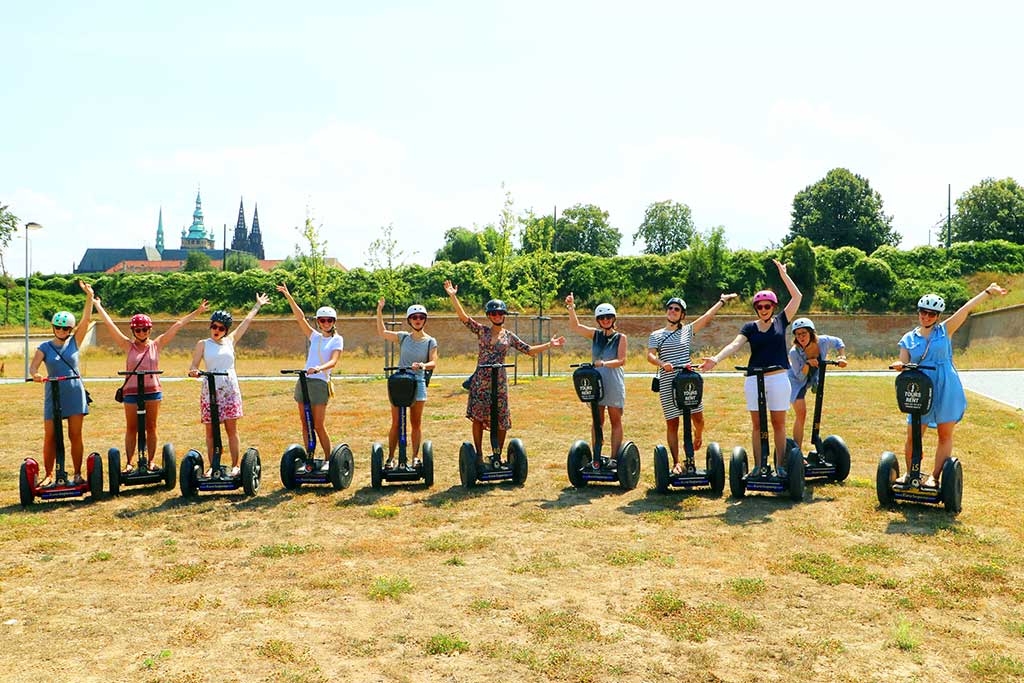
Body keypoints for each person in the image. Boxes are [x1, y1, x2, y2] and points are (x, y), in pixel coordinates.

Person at [891, 283, 1008, 487]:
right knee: (913, 434)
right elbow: (903, 361)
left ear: (938, 316)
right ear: (918, 313)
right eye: (923, 312)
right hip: (921, 388)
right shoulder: (908, 338)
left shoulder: (945, 331)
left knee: (944, 434)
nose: (926, 317)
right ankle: (911, 473)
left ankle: (935, 477)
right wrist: (900, 365)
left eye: (931, 314)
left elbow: (965, 309)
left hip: (946, 386)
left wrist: (988, 292)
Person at [444, 280, 565, 466]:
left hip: (499, 381)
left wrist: (549, 345)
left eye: (500, 313)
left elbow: (529, 350)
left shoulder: (509, 336)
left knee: (502, 419)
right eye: (493, 313)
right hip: (481, 381)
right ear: (489, 315)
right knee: (477, 416)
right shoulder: (482, 330)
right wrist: (453, 296)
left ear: (504, 315)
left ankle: (497, 454)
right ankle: (477, 454)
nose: (497, 315)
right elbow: (463, 317)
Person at [701, 259, 802, 476]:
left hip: (777, 378)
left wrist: (783, 275)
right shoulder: (749, 327)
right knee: (757, 425)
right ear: (756, 308)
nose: (763, 309)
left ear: (773, 307)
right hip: (754, 379)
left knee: (778, 424)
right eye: (759, 306)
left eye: (767, 306)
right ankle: (758, 466)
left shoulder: (781, 321)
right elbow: (735, 345)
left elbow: (797, 297)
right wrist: (715, 359)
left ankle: (781, 466)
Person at [90, 288, 209, 472]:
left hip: (153, 391)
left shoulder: (156, 345)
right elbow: (110, 325)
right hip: (131, 392)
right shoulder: (127, 345)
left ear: (150, 329)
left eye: (145, 329)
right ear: (133, 330)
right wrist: (97, 305)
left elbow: (177, 325)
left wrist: (198, 311)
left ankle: (151, 461)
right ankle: (129, 463)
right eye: (138, 329)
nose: (142, 332)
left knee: (151, 427)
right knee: (132, 428)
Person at [648, 292, 738, 474]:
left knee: (698, 418)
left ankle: (698, 435)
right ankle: (675, 462)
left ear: (682, 315)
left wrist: (721, 300)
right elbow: (650, 355)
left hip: (688, 380)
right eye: (670, 308)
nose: (672, 311)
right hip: (667, 380)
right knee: (672, 423)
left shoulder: (687, 331)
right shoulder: (656, 335)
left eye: (677, 309)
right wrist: (661, 363)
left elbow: (706, 317)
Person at [187, 293, 269, 477]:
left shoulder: (230, 341)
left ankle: (235, 465)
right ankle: (212, 465)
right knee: (210, 431)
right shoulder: (203, 344)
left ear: (226, 329)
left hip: (229, 390)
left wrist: (257, 305)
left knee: (231, 429)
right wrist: (193, 371)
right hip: (210, 390)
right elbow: (194, 365)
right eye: (214, 326)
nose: (216, 330)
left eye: (221, 328)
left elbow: (246, 322)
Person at [29, 280, 94, 487]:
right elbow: (33, 367)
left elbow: (86, 319)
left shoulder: (75, 341)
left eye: (65, 328)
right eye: (58, 327)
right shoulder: (44, 347)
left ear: (70, 329)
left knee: (75, 434)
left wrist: (89, 297)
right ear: (53, 327)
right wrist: (36, 375)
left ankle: (76, 473)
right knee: (50, 436)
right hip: (53, 393)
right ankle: (49, 475)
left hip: (74, 392)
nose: (61, 330)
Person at [276, 283, 343, 464]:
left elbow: (334, 361)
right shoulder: (314, 336)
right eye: (322, 320)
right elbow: (300, 318)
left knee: (318, 425)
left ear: (334, 322)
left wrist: (319, 368)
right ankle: (310, 458)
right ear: (318, 322)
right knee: (305, 424)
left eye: (329, 320)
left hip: (320, 383)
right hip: (304, 382)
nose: (326, 323)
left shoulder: (337, 339)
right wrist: (288, 295)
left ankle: (330, 460)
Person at [376, 297, 438, 467]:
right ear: (409, 320)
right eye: (414, 318)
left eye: (420, 317)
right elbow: (382, 332)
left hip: (418, 382)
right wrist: (379, 311)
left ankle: (416, 457)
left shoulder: (430, 341)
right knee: (396, 422)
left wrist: (423, 365)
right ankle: (390, 458)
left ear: (424, 320)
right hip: (400, 382)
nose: (417, 320)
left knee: (415, 423)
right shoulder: (403, 337)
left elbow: (434, 362)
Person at [565, 293, 627, 457]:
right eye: (602, 318)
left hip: (613, 382)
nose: (605, 320)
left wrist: (604, 363)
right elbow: (575, 326)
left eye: (608, 317)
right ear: (598, 320)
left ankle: (614, 457)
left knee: (615, 420)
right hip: (596, 383)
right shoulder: (596, 335)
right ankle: (597, 456)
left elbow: (621, 360)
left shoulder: (621, 337)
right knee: (597, 421)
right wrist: (571, 307)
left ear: (613, 318)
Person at [787, 317, 847, 451]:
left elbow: (839, 342)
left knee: (819, 404)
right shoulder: (794, 353)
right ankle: (797, 451)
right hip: (796, 381)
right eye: (798, 334)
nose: (801, 337)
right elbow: (800, 376)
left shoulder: (823, 341)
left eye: (804, 333)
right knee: (801, 414)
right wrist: (808, 363)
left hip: (814, 376)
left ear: (811, 333)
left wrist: (842, 357)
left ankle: (816, 440)